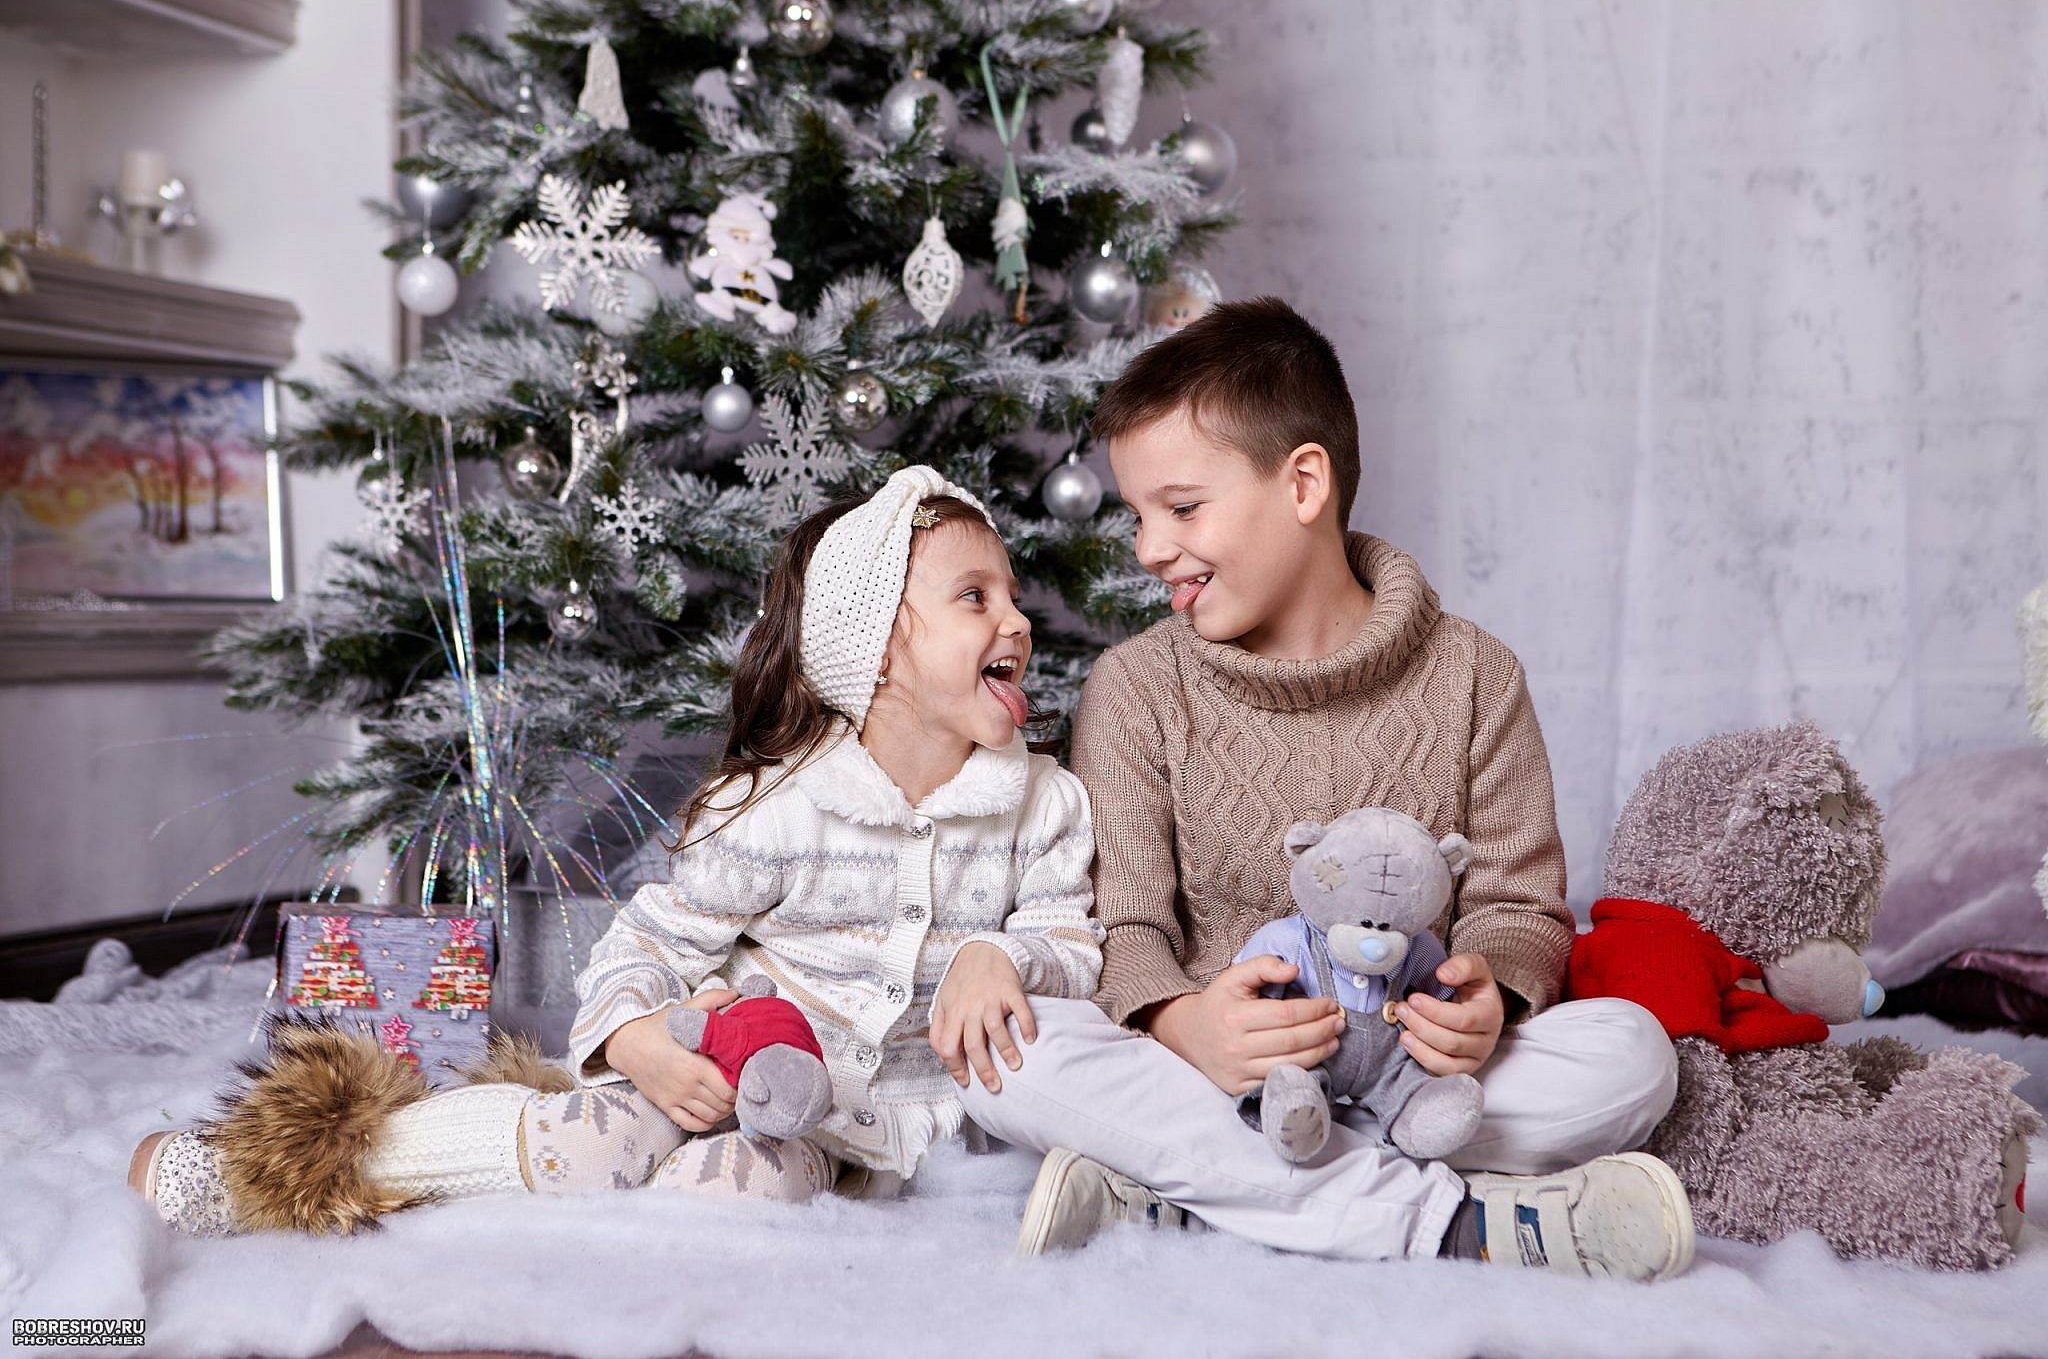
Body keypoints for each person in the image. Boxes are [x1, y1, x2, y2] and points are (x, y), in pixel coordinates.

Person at [131, 467, 1103, 1232]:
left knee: (732, 1194)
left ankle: (613, 1257)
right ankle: (286, 1167)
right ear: (879, 651)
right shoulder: (779, 807)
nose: (1016, 618)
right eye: (975, 597)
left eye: (1011, 594)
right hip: (721, 1060)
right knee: (604, 1133)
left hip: (849, 1130)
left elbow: (1072, 942)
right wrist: (634, 1037)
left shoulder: (1042, 801)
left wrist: (1002, 952)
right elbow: (648, 944)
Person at [958, 298, 1696, 1280]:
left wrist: (1486, 997)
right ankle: (1447, 1224)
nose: (1145, 548)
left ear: (1302, 482)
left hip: (1411, 1072)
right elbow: (1122, 928)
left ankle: (1196, 1194)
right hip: (1214, 1075)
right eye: (1137, 516)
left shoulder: (1474, 676)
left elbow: (1517, 908)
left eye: (1179, 508)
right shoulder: (1135, 688)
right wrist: (1186, 1023)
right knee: (1011, 1053)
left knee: (1633, 1053)